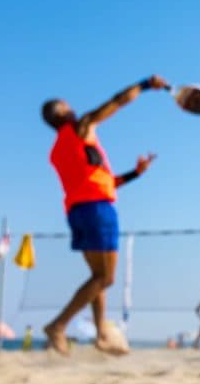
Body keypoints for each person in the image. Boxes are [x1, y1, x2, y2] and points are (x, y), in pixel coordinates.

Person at [40, 75, 167, 355]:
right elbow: (117, 102)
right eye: (67, 105)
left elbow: (102, 180)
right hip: (97, 210)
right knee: (106, 278)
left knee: (98, 277)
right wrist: (146, 84)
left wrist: (135, 173)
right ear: (62, 112)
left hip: (77, 212)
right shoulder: (80, 127)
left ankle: (102, 335)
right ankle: (58, 325)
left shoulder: (60, 149)